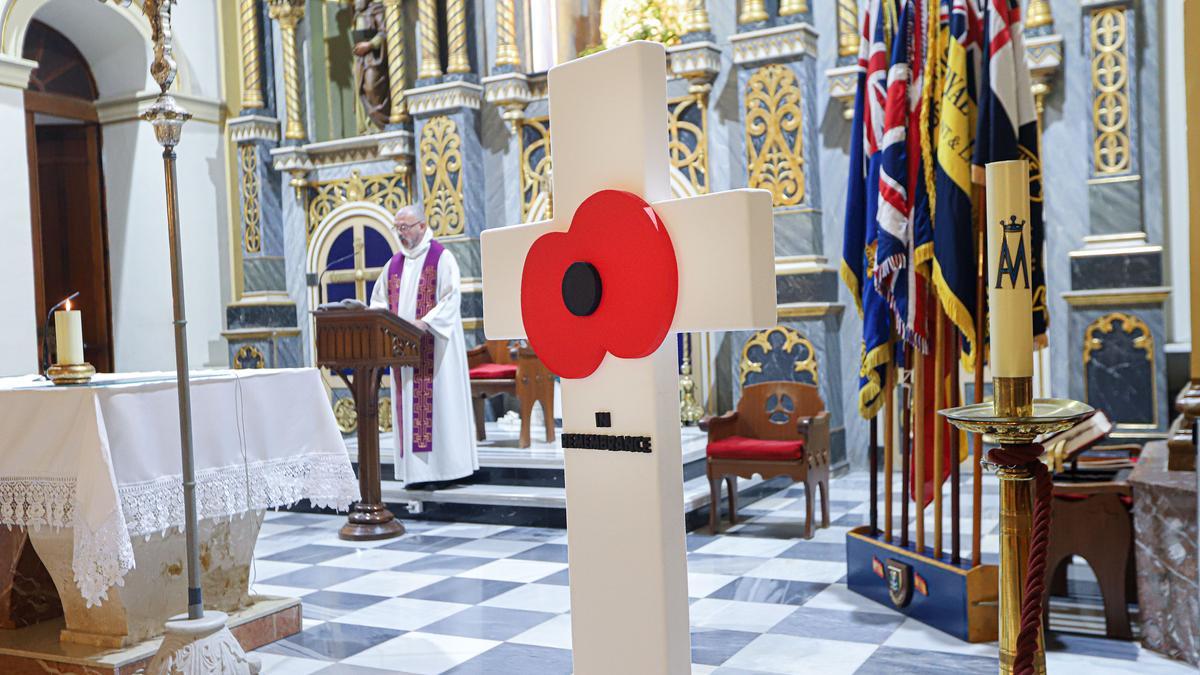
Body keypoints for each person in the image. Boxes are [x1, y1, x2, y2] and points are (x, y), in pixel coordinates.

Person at [370, 204, 478, 488]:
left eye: (405, 227)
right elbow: (379, 300)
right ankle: (415, 474)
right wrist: (381, 319)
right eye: (397, 228)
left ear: (421, 225)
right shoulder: (393, 264)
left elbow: (451, 298)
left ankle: (442, 471)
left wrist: (426, 323)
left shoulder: (441, 258)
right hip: (403, 352)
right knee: (409, 407)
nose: (401, 234)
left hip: (434, 349)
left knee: (438, 408)